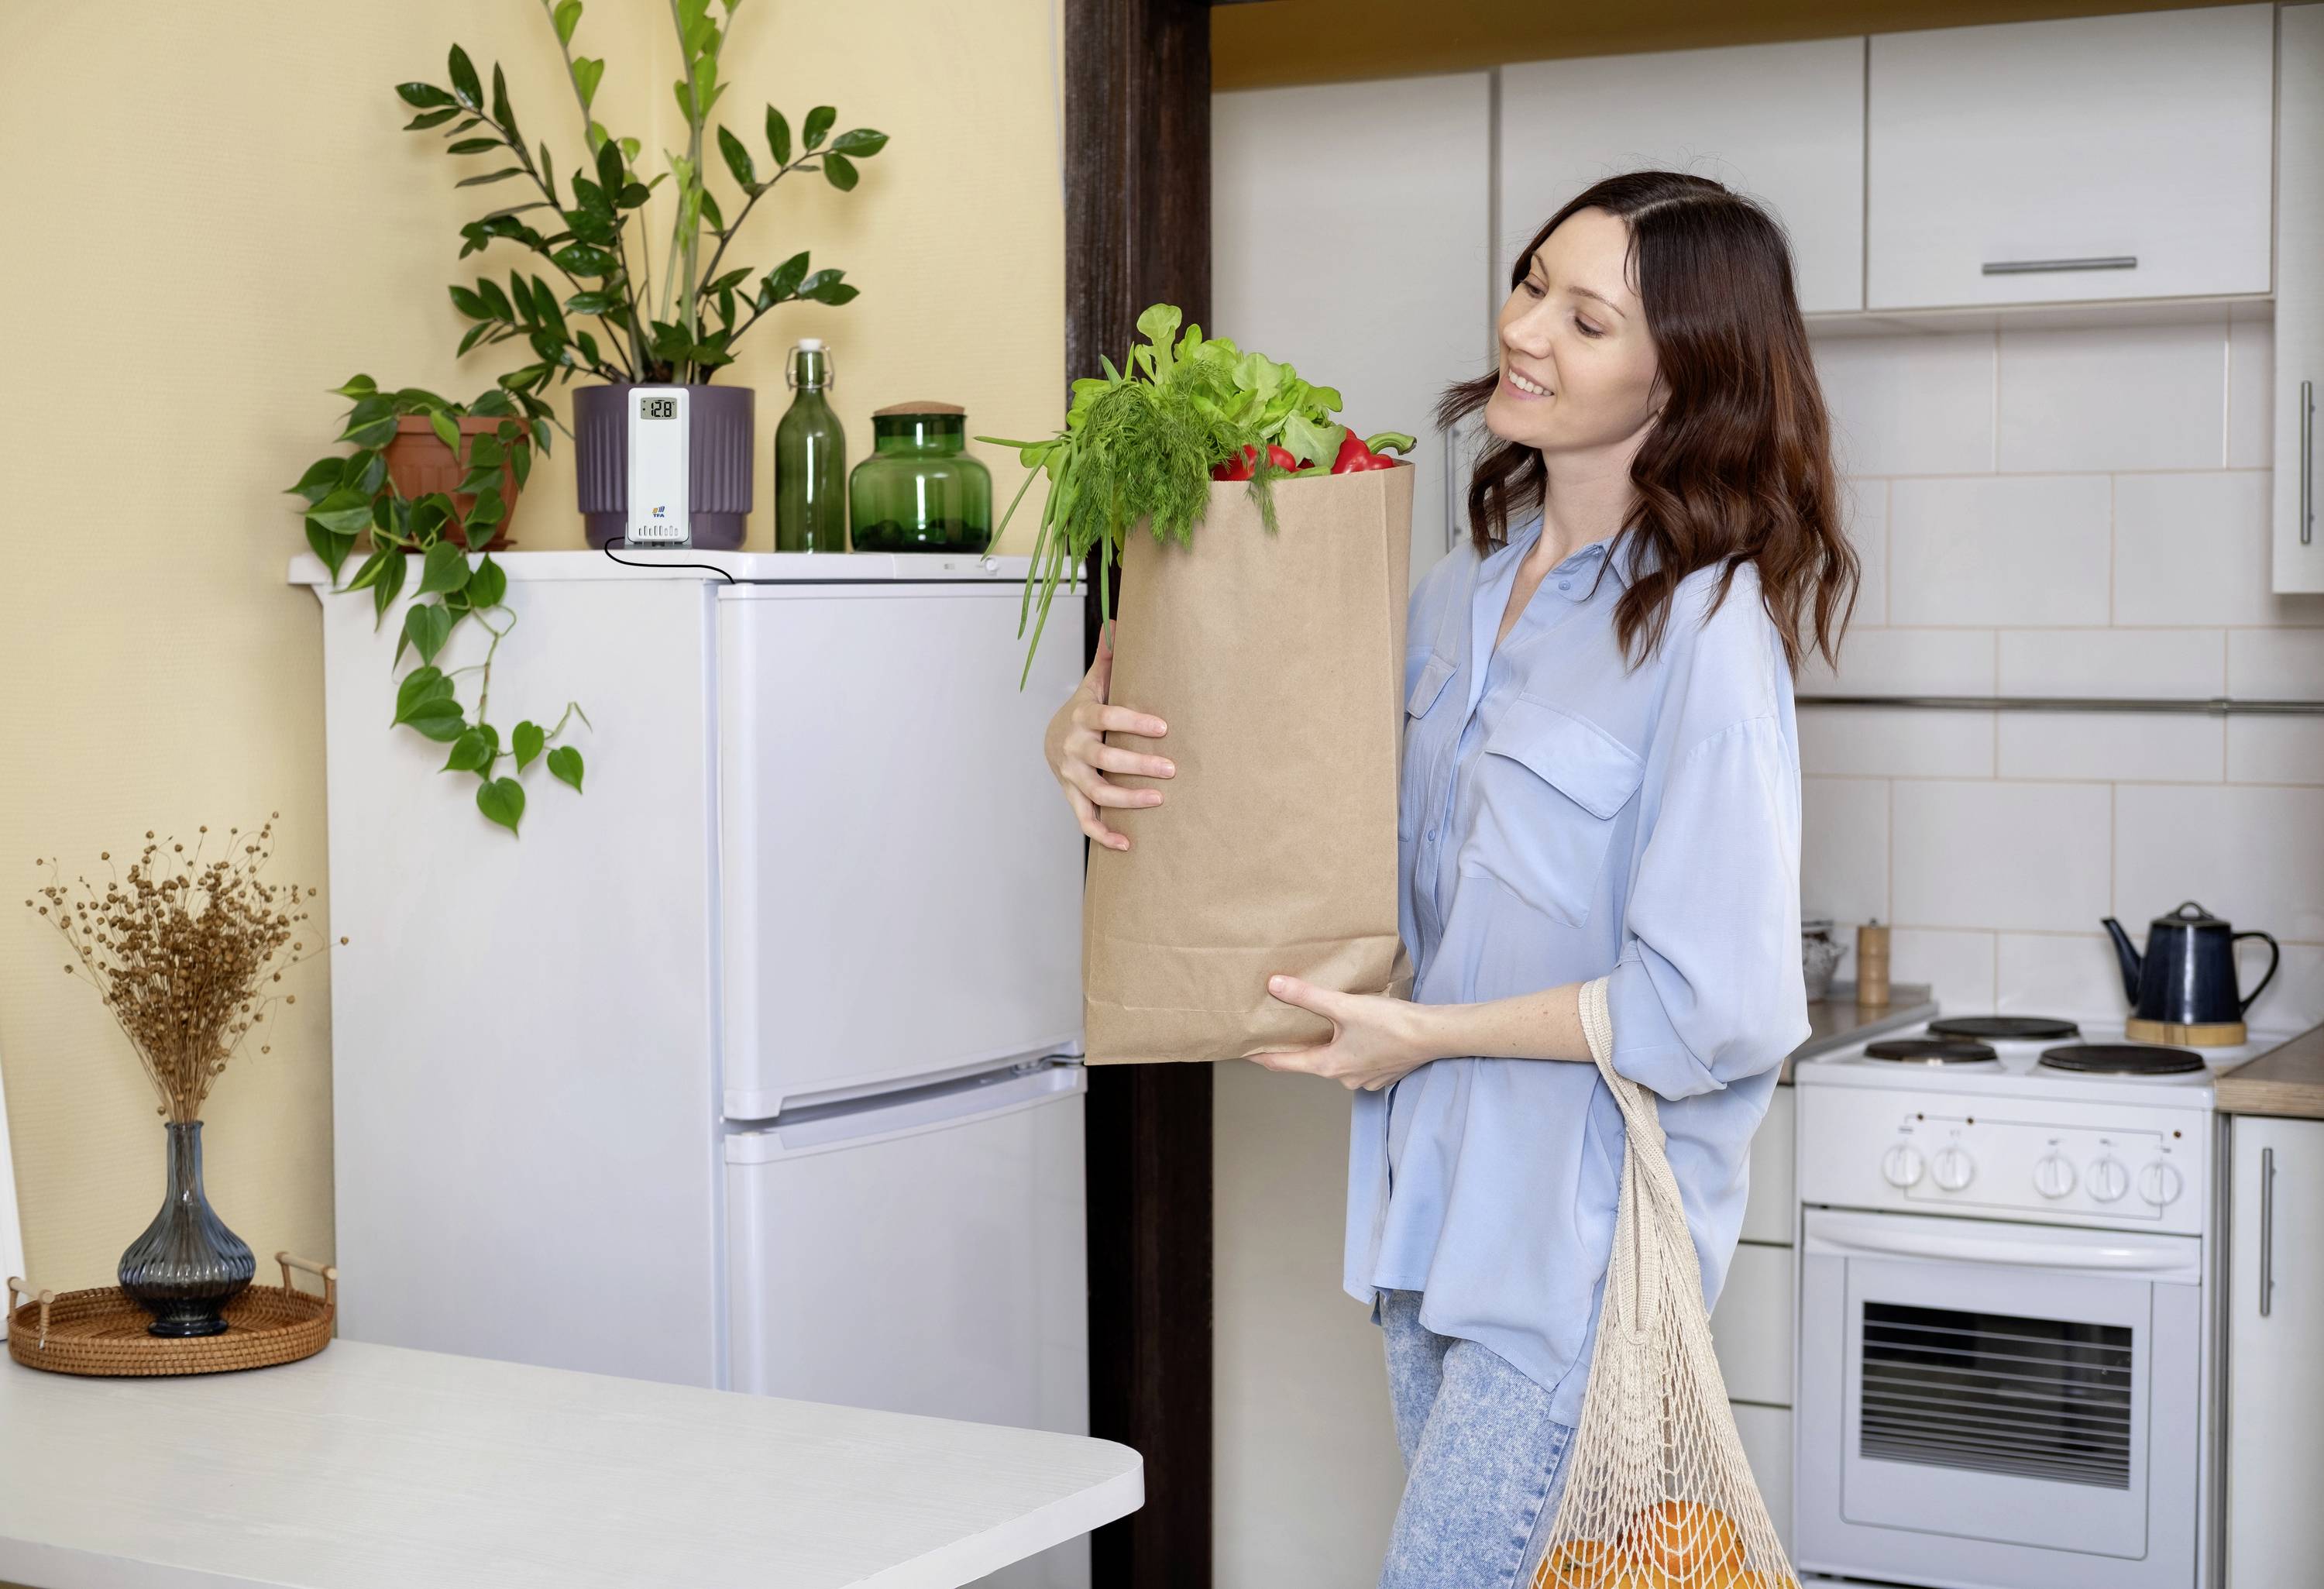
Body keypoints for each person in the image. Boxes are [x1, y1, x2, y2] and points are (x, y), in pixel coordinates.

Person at [1043, 170, 1856, 1589]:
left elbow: (1714, 1006)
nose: (1528, 330)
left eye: (1588, 319)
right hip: (1423, 1220)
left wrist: (1424, 1037)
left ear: (1683, 382)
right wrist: (1092, 745)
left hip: (1571, 1259)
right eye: (1533, 282)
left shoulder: (1712, 628)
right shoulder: (1450, 598)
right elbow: (1332, 855)